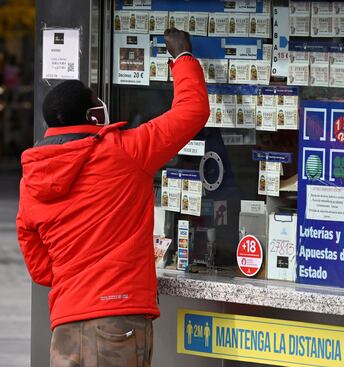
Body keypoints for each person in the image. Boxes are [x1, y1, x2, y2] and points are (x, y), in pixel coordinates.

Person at [16, 28, 209, 367]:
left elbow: (39, 266)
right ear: (93, 116)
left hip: (65, 325)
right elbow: (191, 111)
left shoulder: (34, 175)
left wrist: (76, 275)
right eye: (95, 100)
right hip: (117, 323)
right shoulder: (125, 151)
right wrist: (182, 58)